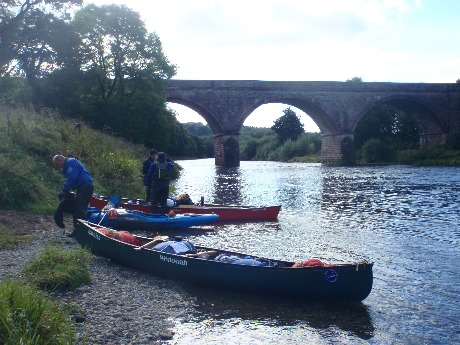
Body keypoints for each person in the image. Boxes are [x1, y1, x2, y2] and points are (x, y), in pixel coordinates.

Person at [52, 154, 94, 237]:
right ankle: (78, 231)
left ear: (60, 160)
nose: (58, 167)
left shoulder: (71, 162)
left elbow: (72, 178)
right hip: (82, 187)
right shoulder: (69, 164)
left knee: (80, 209)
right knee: (77, 208)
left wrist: (65, 190)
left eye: (57, 165)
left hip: (85, 186)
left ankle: (83, 232)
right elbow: (73, 178)